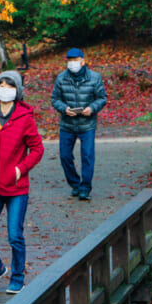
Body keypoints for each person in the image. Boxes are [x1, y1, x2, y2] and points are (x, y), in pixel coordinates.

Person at [0, 69, 44, 295]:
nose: (4, 89)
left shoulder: (25, 118)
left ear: (18, 90)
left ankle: (18, 277)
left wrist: (19, 170)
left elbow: (37, 149)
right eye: (1, 85)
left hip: (15, 187)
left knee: (15, 235)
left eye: (10, 85)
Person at [51, 47, 107, 200]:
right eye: (70, 60)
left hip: (87, 124)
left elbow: (102, 98)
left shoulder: (95, 78)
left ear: (83, 61)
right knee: (65, 156)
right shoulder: (61, 78)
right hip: (67, 124)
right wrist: (64, 109)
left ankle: (85, 188)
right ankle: (75, 183)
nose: (73, 63)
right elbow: (55, 99)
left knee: (87, 156)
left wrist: (92, 108)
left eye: (76, 60)